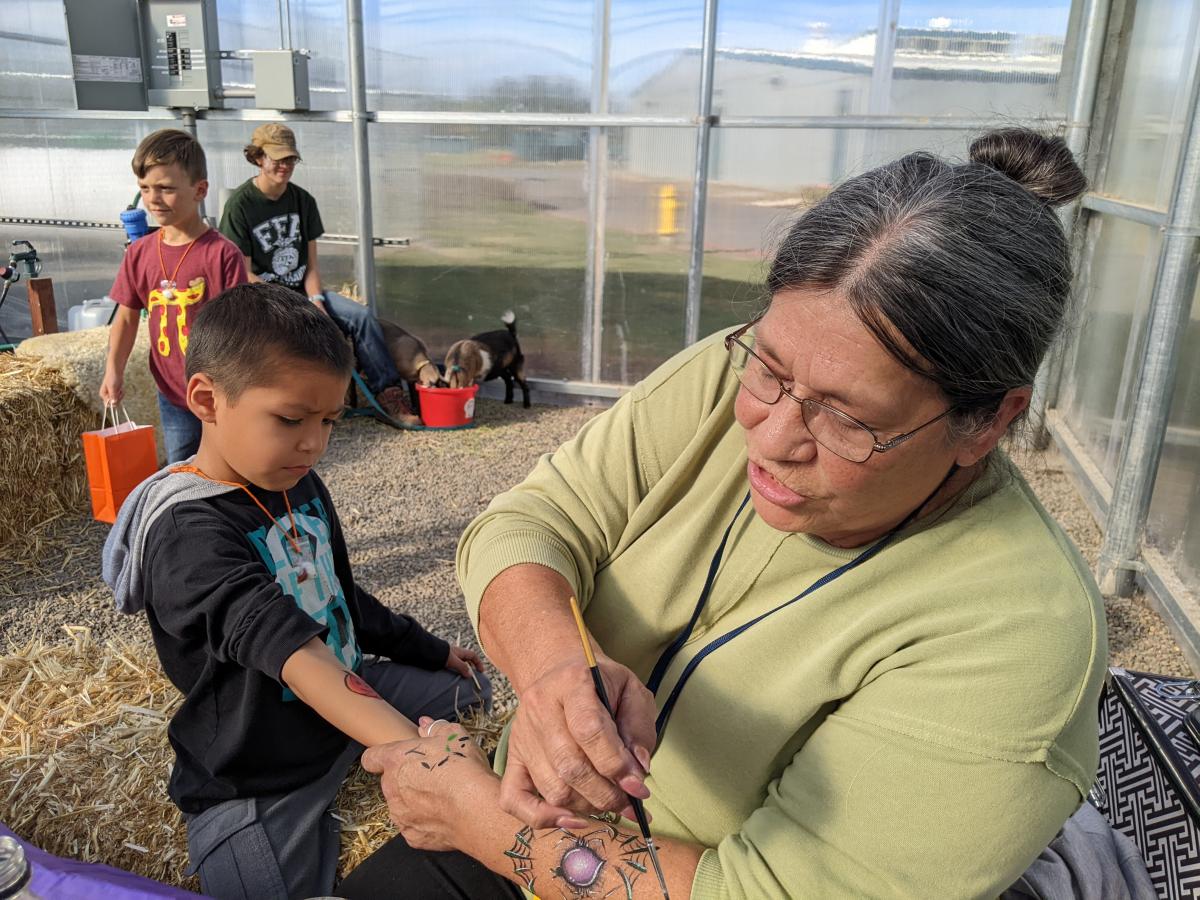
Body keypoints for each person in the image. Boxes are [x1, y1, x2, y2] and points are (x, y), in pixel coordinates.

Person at [340, 128, 1108, 899]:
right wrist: (552, 670)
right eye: (769, 368)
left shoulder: (1018, 635)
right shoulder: (726, 371)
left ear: (989, 422)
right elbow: (530, 522)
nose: (770, 437)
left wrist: (478, 820)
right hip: (530, 815)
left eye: (847, 419)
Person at [100, 283, 490, 900]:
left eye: (330, 420)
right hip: (259, 766)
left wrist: (432, 649)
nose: (315, 443)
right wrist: (418, 758)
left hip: (343, 698)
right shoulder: (186, 531)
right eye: (290, 419)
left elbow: (342, 598)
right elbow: (296, 652)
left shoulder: (295, 480)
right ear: (206, 399)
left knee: (473, 688)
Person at [218, 123, 420, 426]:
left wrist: (316, 302)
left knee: (361, 317)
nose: (284, 166)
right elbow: (244, 273)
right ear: (258, 158)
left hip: (303, 291)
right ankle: (299, 408)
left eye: (290, 160)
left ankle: (388, 392)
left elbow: (312, 265)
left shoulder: (303, 200)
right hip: (265, 300)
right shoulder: (240, 205)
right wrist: (294, 307)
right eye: (277, 159)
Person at [101, 128, 248, 462]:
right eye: (145, 188)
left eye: (166, 188)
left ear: (200, 190)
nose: (153, 198)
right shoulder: (139, 254)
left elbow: (239, 329)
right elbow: (125, 319)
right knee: (182, 465)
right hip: (171, 390)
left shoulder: (222, 255)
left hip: (219, 392)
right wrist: (114, 370)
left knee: (229, 463)